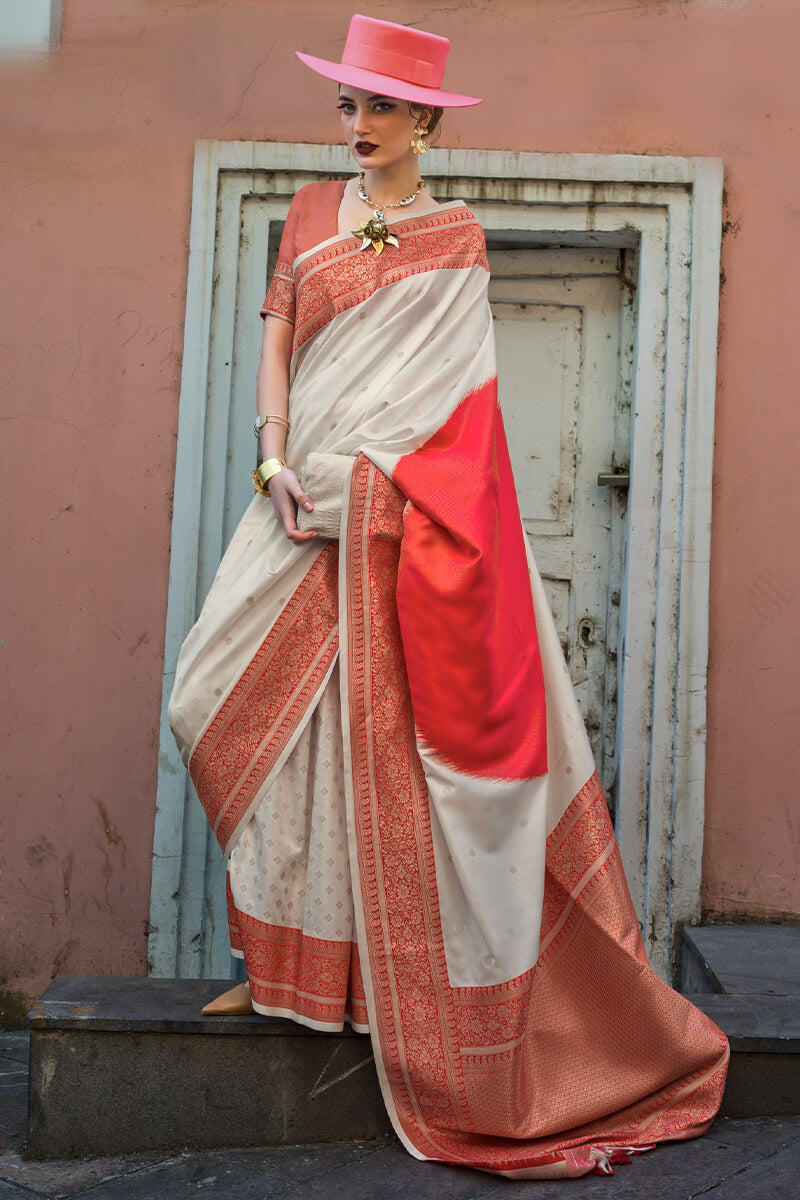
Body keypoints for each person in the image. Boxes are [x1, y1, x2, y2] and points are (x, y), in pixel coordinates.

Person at [168, 12, 729, 1182]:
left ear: (425, 117)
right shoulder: (311, 217)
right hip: (293, 504)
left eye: (379, 108)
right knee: (215, 708)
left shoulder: (457, 237)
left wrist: (374, 487)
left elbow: (459, 411)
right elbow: (276, 339)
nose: (358, 126)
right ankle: (279, 968)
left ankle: (356, 987)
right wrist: (272, 461)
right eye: (347, 106)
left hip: (390, 518)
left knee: (364, 745)